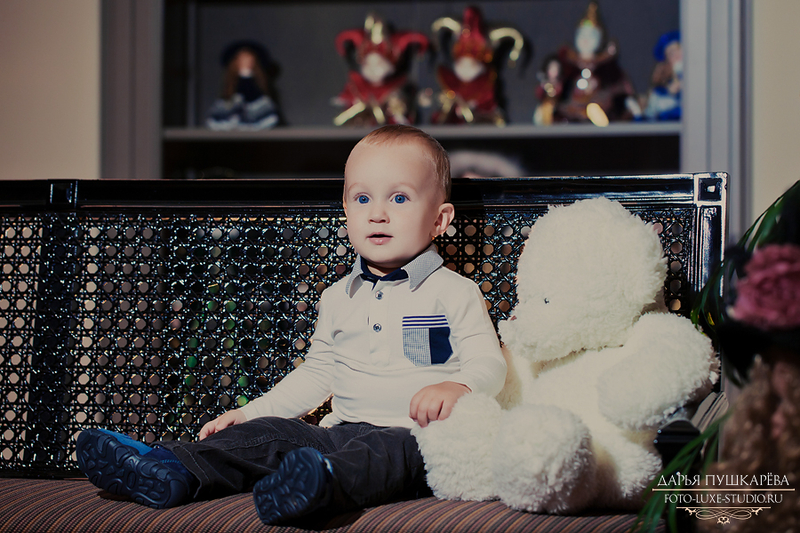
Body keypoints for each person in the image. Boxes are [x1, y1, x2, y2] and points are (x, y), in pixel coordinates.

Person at [75, 124, 507, 525]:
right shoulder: (338, 297)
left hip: (420, 438)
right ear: (346, 209)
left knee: (384, 453)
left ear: (439, 219)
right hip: (338, 433)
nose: (378, 213)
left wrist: (459, 386)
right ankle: (172, 467)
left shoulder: (453, 292)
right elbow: (318, 373)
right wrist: (249, 413)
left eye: (399, 199)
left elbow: (490, 364)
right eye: (362, 199)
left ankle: (315, 487)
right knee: (270, 435)